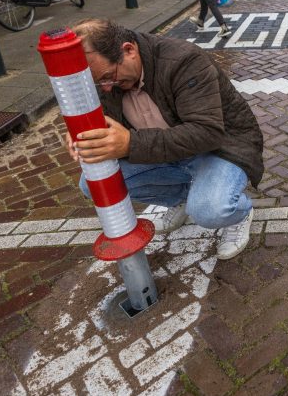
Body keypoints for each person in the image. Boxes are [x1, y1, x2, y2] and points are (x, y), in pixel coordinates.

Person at [67, 18, 263, 260]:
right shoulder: (108, 78)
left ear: (129, 50)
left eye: (109, 77)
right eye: (100, 82)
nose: (106, 88)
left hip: (218, 149)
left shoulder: (183, 60)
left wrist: (129, 143)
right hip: (163, 152)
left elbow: (207, 133)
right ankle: (180, 200)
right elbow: (103, 117)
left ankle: (239, 213)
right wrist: (84, 133)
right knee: (92, 184)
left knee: (210, 210)